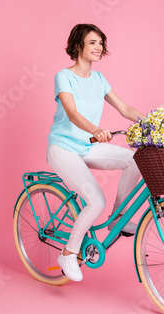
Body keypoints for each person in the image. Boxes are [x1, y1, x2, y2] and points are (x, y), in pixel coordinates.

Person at [47, 23, 143, 282]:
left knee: (136, 159)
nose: (99, 47)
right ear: (78, 45)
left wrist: (150, 123)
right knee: (95, 201)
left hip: (89, 147)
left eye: (101, 43)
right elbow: (72, 113)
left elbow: (124, 109)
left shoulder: (100, 80)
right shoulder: (63, 77)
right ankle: (68, 253)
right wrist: (96, 129)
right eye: (92, 42)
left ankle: (118, 217)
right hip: (63, 148)